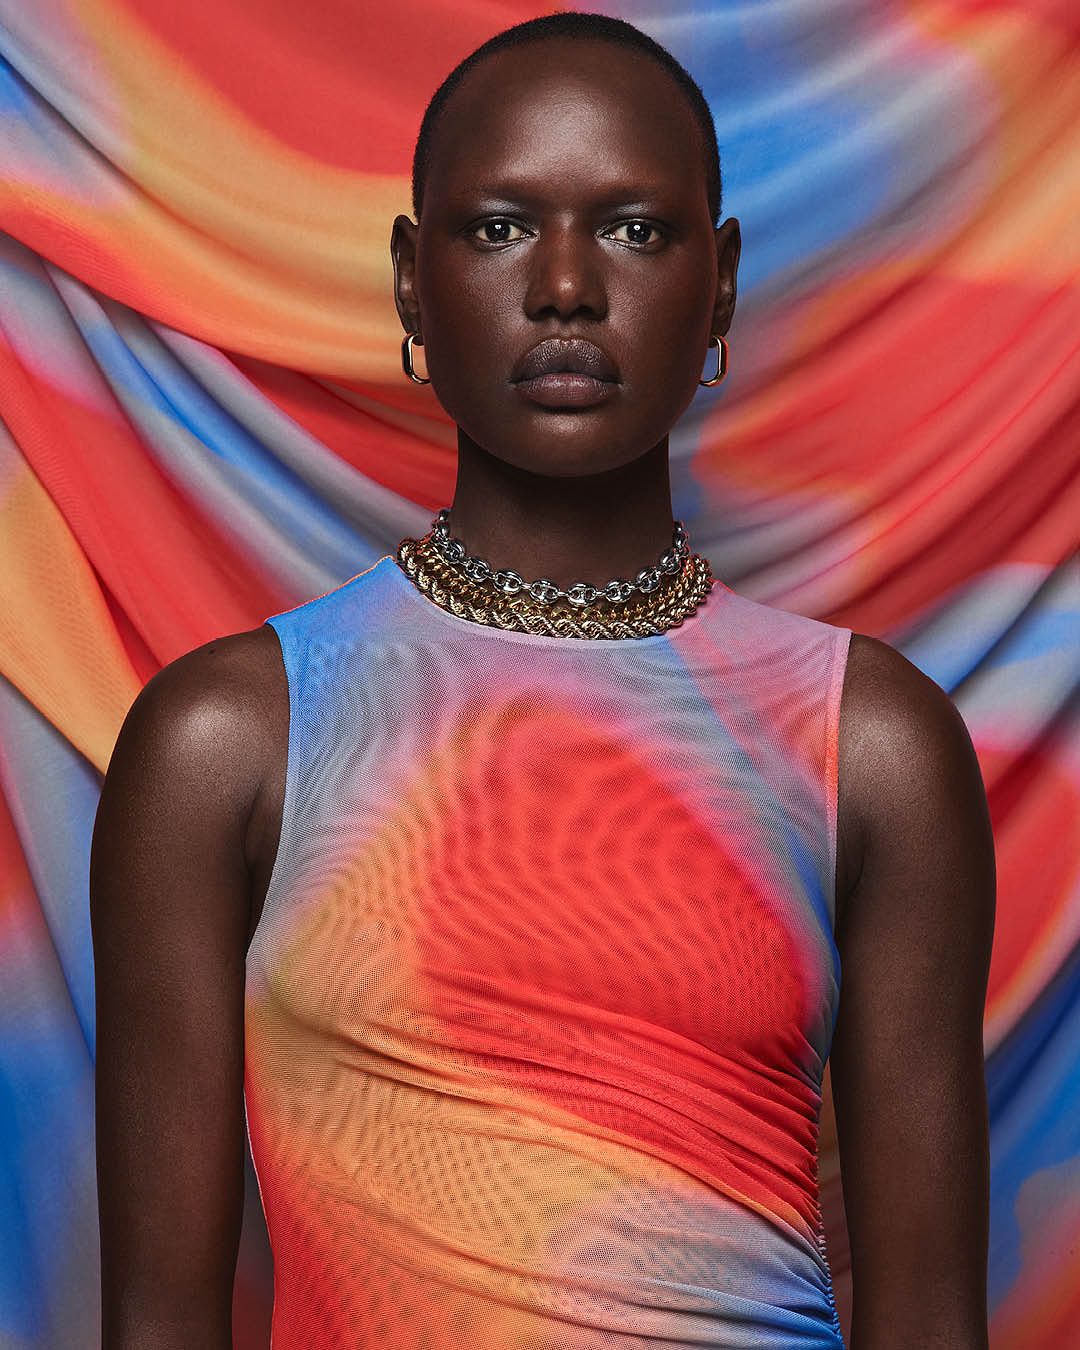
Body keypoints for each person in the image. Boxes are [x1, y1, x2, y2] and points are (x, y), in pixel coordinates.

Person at [90, 12, 996, 1349]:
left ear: (723, 282)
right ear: (412, 279)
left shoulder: (872, 740)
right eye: (500, 225)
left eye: (633, 229)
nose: (566, 285)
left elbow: (926, 1312)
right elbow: (160, 1318)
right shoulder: (227, 739)